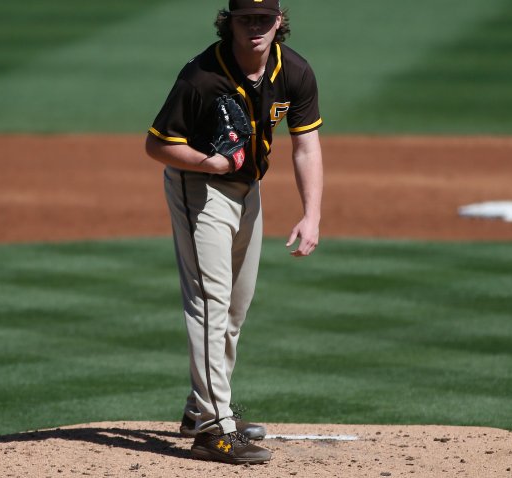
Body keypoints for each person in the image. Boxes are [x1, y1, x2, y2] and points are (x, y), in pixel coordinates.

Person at [145, 0, 323, 465]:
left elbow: (305, 145)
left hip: (248, 192)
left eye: (265, 19)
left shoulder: (295, 71)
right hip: (199, 188)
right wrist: (210, 162)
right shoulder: (201, 76)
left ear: (279, 21)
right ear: (230, 21)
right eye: (247, 19)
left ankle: (199, 408)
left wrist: (312, 213)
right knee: (210, 303)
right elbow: (158, 144)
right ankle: (212, 427)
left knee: (235, 307)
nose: (256, 28)